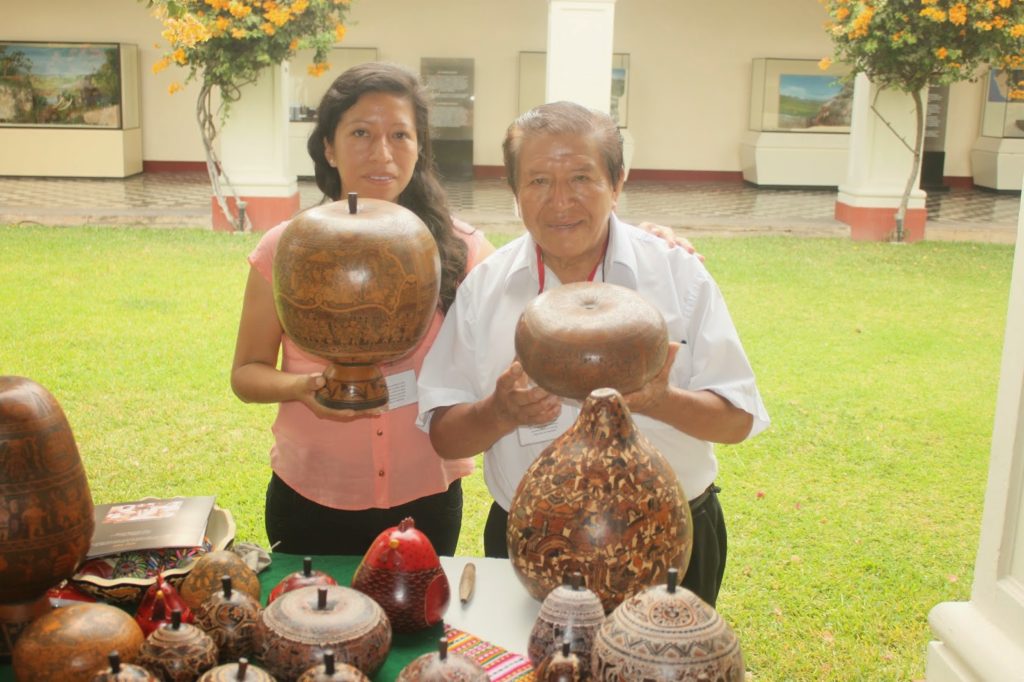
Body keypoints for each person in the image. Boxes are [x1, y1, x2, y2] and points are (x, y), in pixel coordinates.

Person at [416, 101, 770, 606]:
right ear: (514, 191)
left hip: (669, 537)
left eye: (582, 177)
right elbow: (445, 436)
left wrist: (660, 399)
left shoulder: (677, 275)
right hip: (533, 539)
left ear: (617, 183)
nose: (561, 201)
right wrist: (500, 411)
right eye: (538, 181)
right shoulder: (486, 289)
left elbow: (737, 419)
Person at [231, 62, 495, 557]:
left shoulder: (463, 249)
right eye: (360, 133)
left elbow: (520, 321)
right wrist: (303, 388)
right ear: (328, 147)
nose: (383, 153)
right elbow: (246, 374)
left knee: (417, 607)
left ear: (420, 148)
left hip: (426, 497)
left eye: (400, 135)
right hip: (312, 495)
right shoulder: (285, 247)